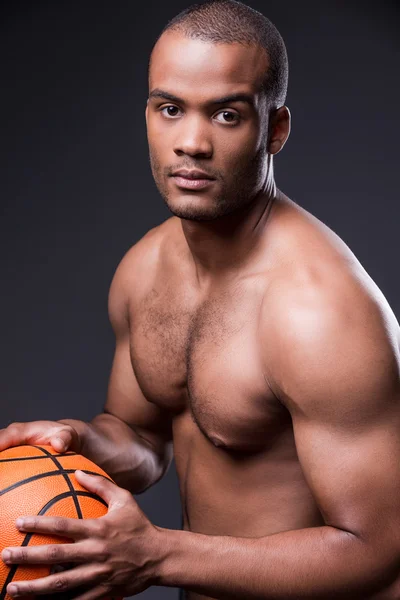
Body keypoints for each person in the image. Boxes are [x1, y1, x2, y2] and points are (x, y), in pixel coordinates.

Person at [1, 0, 400, 599]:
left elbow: (379, 547)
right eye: (170, 109)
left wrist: (160, 557)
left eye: (226, 115)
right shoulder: (145, 268)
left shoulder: (320, 310)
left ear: (276, 129)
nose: (191, 142)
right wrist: (83, 440)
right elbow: (143, 439)